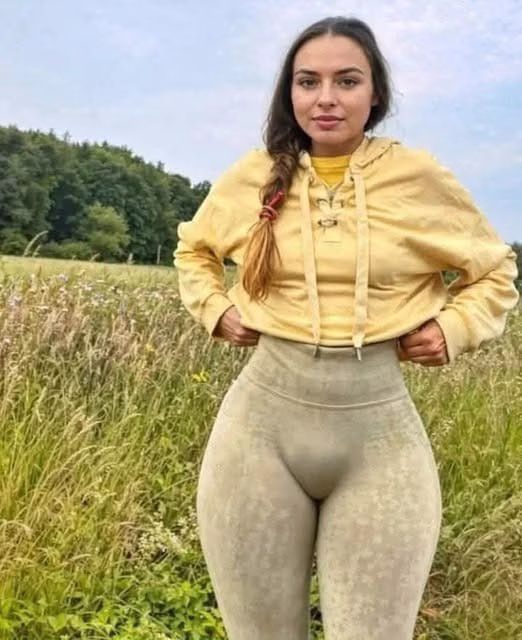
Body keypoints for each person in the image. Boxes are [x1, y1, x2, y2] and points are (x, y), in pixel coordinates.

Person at [174, 16, 519, 640]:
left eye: (347, 81)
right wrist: (215, 308)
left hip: (378, 439)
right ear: (291, 93)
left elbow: (494, 271)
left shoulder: (418, 178)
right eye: (308, 82)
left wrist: (456, 327)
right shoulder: (255, 174)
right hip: (257, 435)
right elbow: (194, 250)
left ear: (375, 92)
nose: (326, 98)